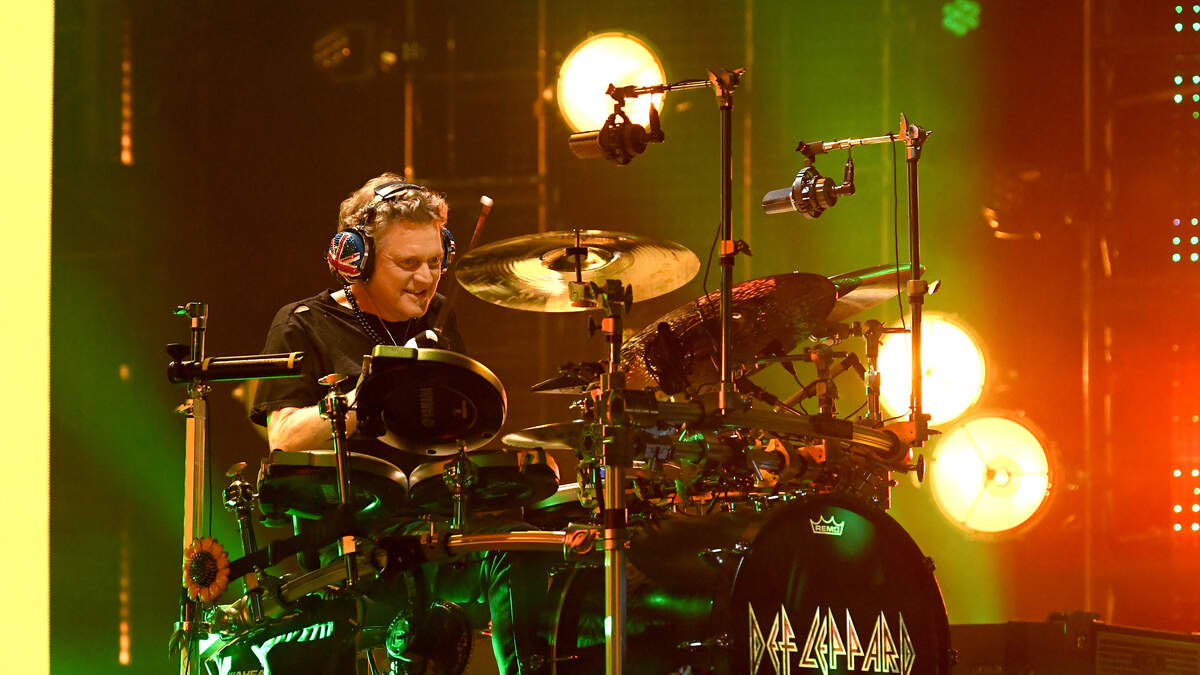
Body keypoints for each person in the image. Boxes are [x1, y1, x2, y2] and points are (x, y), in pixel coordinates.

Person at [251, 172, 548, 674]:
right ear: (356, 259)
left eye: (435, 261)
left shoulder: (437, 318)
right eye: (408, 263)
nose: (426, 278)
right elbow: (283, 437)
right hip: (356, 540)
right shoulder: (301, 323)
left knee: (530, 543)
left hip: (436, 521)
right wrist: (364, 396)